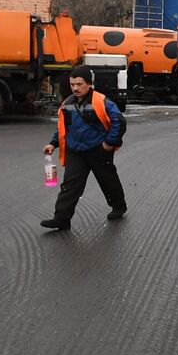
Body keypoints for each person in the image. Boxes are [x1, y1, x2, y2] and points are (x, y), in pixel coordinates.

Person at [40, 66, 127, 231]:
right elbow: (63, 127)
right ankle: (61, 219)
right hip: (76, 151)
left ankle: (118, 207)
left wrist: (109, 143)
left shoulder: (102, 101)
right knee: (70, 186)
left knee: (108, 180)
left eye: (79, 84)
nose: (75, 88)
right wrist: (53, 143)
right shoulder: (68, 103)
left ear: (89, 84)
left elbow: (119, 122)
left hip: (98, 150)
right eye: (73, 84)